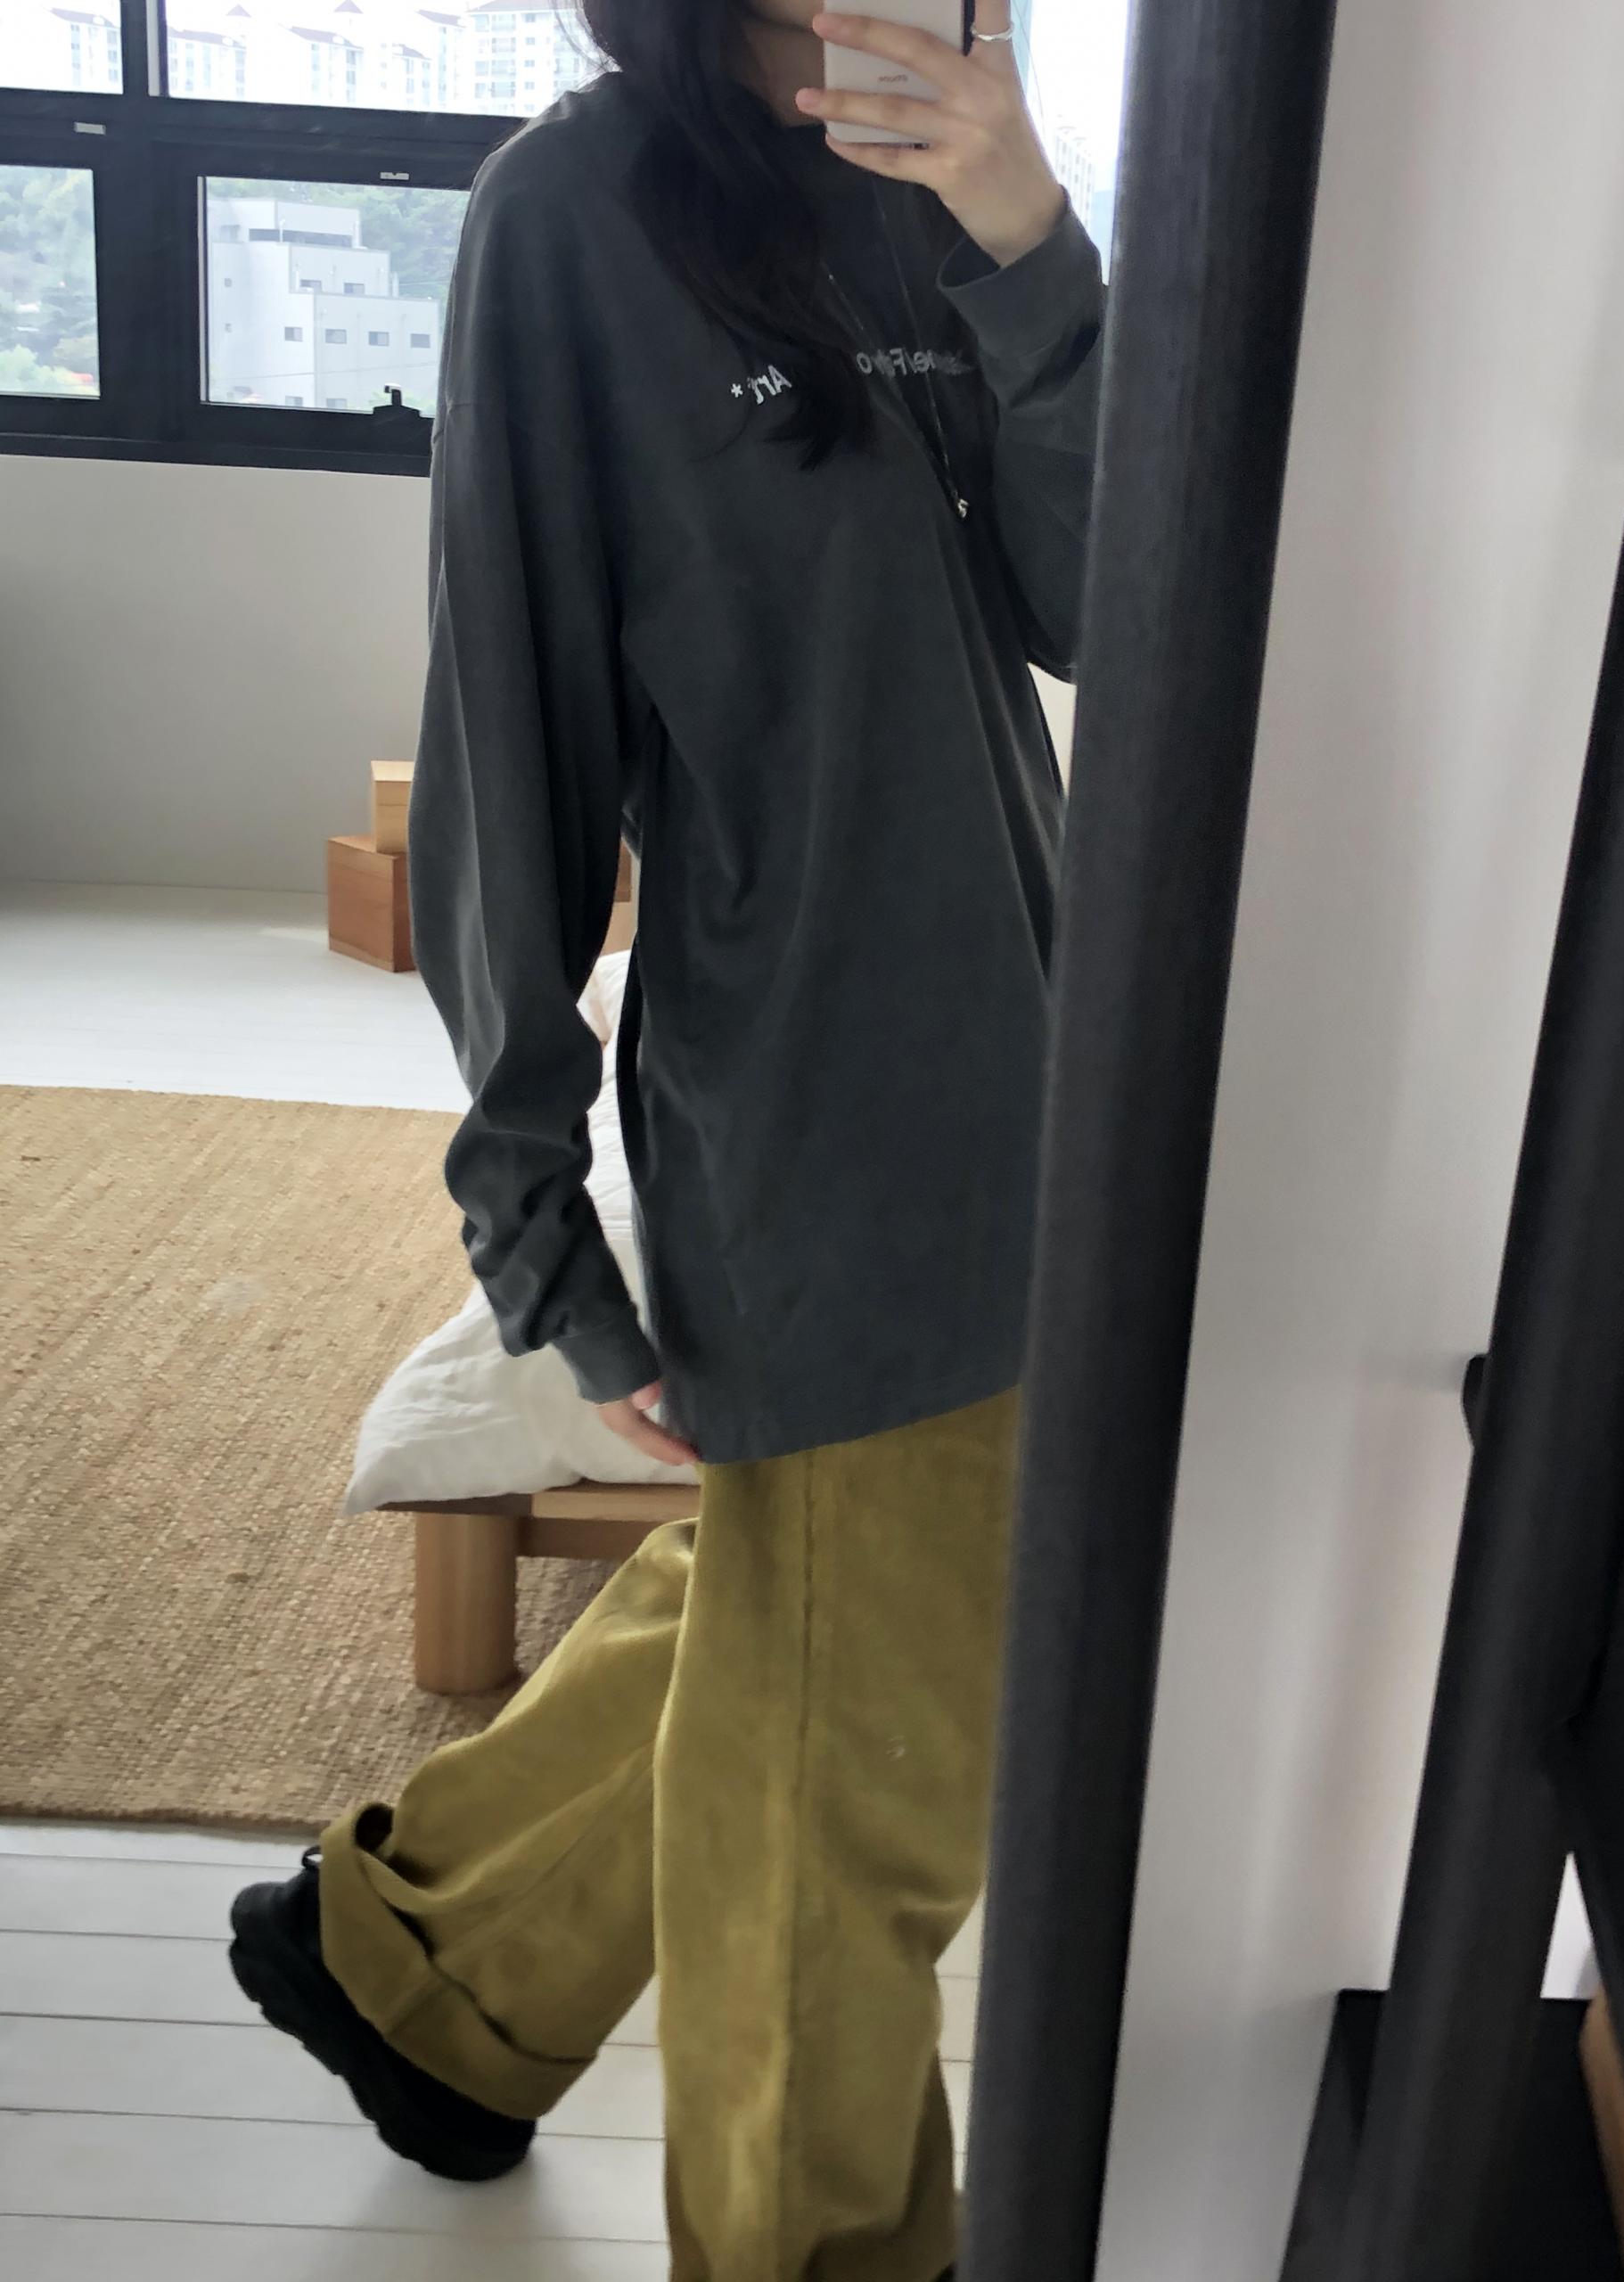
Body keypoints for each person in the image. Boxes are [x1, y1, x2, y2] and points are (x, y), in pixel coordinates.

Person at [227, 2, 1103, 2275]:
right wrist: (527, 1209)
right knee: (860, 1786)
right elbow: (505, 734)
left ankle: (425, 1968)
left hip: (1030, 1045)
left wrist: (1025, 234)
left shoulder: (937, 188)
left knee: (826, 1617)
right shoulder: (574, 216)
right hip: (819, 1108)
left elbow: (1101, 602)